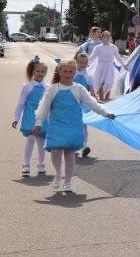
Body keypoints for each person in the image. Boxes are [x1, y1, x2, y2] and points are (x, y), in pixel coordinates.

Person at [33, 60, 115, 192]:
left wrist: (105, 113)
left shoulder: (79, 89)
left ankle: (68, 181)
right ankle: (58, 175)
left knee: (70, 153)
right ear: (59, 72)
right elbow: (44, 107)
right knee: (56, 151)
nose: (68, 74)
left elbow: (92, 103)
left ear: (75, 73)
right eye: (65, 71)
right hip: (57, 125)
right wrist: (38, 123)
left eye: (71, 71)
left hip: (73, 125)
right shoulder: (53, 89)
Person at [11, 56, 49, 177]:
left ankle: (41, 164)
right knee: (31, 138)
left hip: (42, 117)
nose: (40, 73)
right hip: (30, 116)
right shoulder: (27, 86)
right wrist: (16, 118)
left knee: (41, 141)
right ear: (33, 71)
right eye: (37, 71)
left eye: (42, 71)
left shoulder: (48, 87)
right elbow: (20, 103)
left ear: (46, 73)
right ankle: (26, 164)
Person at [88, 31, 127, 101]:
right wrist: (84, 63)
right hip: (100, 67)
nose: (108, 36)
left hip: (110, 67)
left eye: (109, 35)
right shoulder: (98, 48)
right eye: (106, 35)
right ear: (102, 37)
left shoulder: (113, 47)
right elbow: (92, 57)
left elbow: (118, 57)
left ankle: (107, 97)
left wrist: (124, 64)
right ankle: (101, 98)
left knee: (109, 82)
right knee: (101, 83)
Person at [73, 52, 95, 157]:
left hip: (84, 104)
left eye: (85, 62)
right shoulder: (73, 74)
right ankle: (74, 147)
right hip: (73, 103)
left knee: (84, 125)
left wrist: (96, 101)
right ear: (76, 62)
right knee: (74, 125)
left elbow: (92, 91)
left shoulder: (89, 76)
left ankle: (84, 146)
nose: (83, 64)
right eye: (80, 62)